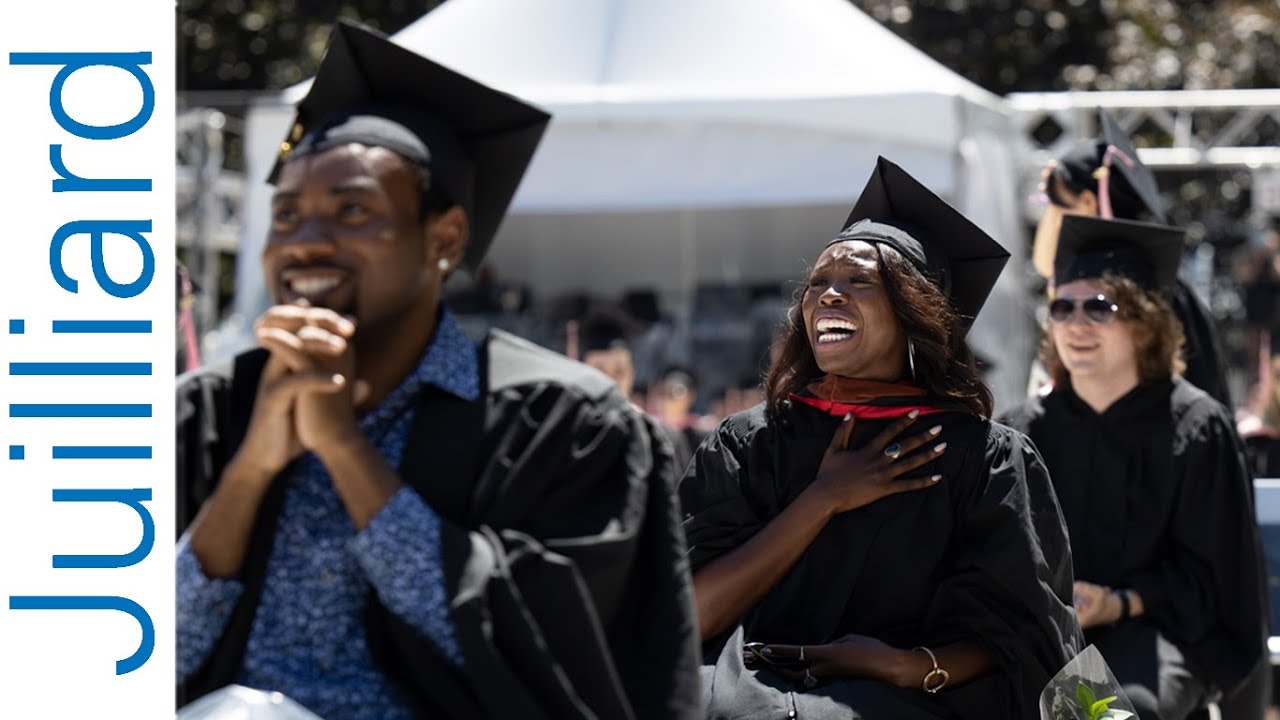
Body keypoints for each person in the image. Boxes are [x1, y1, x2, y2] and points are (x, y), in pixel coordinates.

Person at [175, 20, 700, 720]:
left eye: (352, 209)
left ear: (445, 239)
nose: (304, 244)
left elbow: (558, 669)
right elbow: (125, 657)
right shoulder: (212, 410)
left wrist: (343, 447)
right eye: (287, 215)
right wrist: (248, 470)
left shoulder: (562, 421)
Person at [679, 157, 1081, 719]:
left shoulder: (984, 456)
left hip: (913, 698)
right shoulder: (749, 443)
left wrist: (903, 666)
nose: (828, 295)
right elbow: (689, 617)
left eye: (858, 281)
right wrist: (822, 499)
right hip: (747, 692)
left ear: (913, 312)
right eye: (817, 282)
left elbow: (1033, 632)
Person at [1001, 214, 1268, 720]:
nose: (1076, 323)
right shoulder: (1023, 430)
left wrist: (1120, 603)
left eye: (1099, 307)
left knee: (1106, 711)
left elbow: (1217, 578)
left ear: (1145, 324)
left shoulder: (1195, 427)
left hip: (1154, 633)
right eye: (1062, 306)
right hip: (1046, 631)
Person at [1032, 109, 1232, 408]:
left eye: (1056, 205)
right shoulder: (1079, 286)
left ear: (1088, 203)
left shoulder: (1154, 290)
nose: (1049, 219)